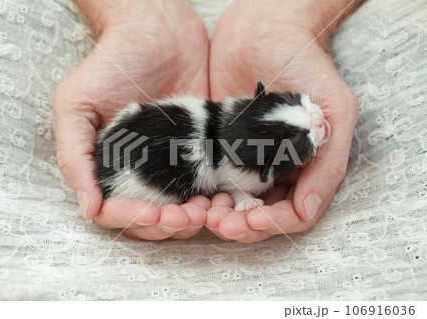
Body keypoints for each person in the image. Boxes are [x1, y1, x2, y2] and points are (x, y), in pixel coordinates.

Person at [54, 0, 360, 243]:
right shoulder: (252, 173)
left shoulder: (238, 127)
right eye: (304, 127)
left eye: (302, 103)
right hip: (133, 176)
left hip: (132, 135)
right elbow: (233, 180)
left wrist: (288, 22)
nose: (317, 117)